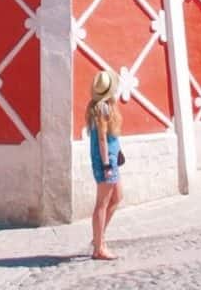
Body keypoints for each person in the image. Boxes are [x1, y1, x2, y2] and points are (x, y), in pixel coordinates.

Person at [86, 69, 124, 261]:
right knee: (102, 204)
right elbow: (101, 139)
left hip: (111, 158)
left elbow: (109, 137)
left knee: (117, 197)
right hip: (105, 162)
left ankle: (98, 238)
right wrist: (107, 164)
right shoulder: (102, 109)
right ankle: (99, 247)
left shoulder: (102, 106)